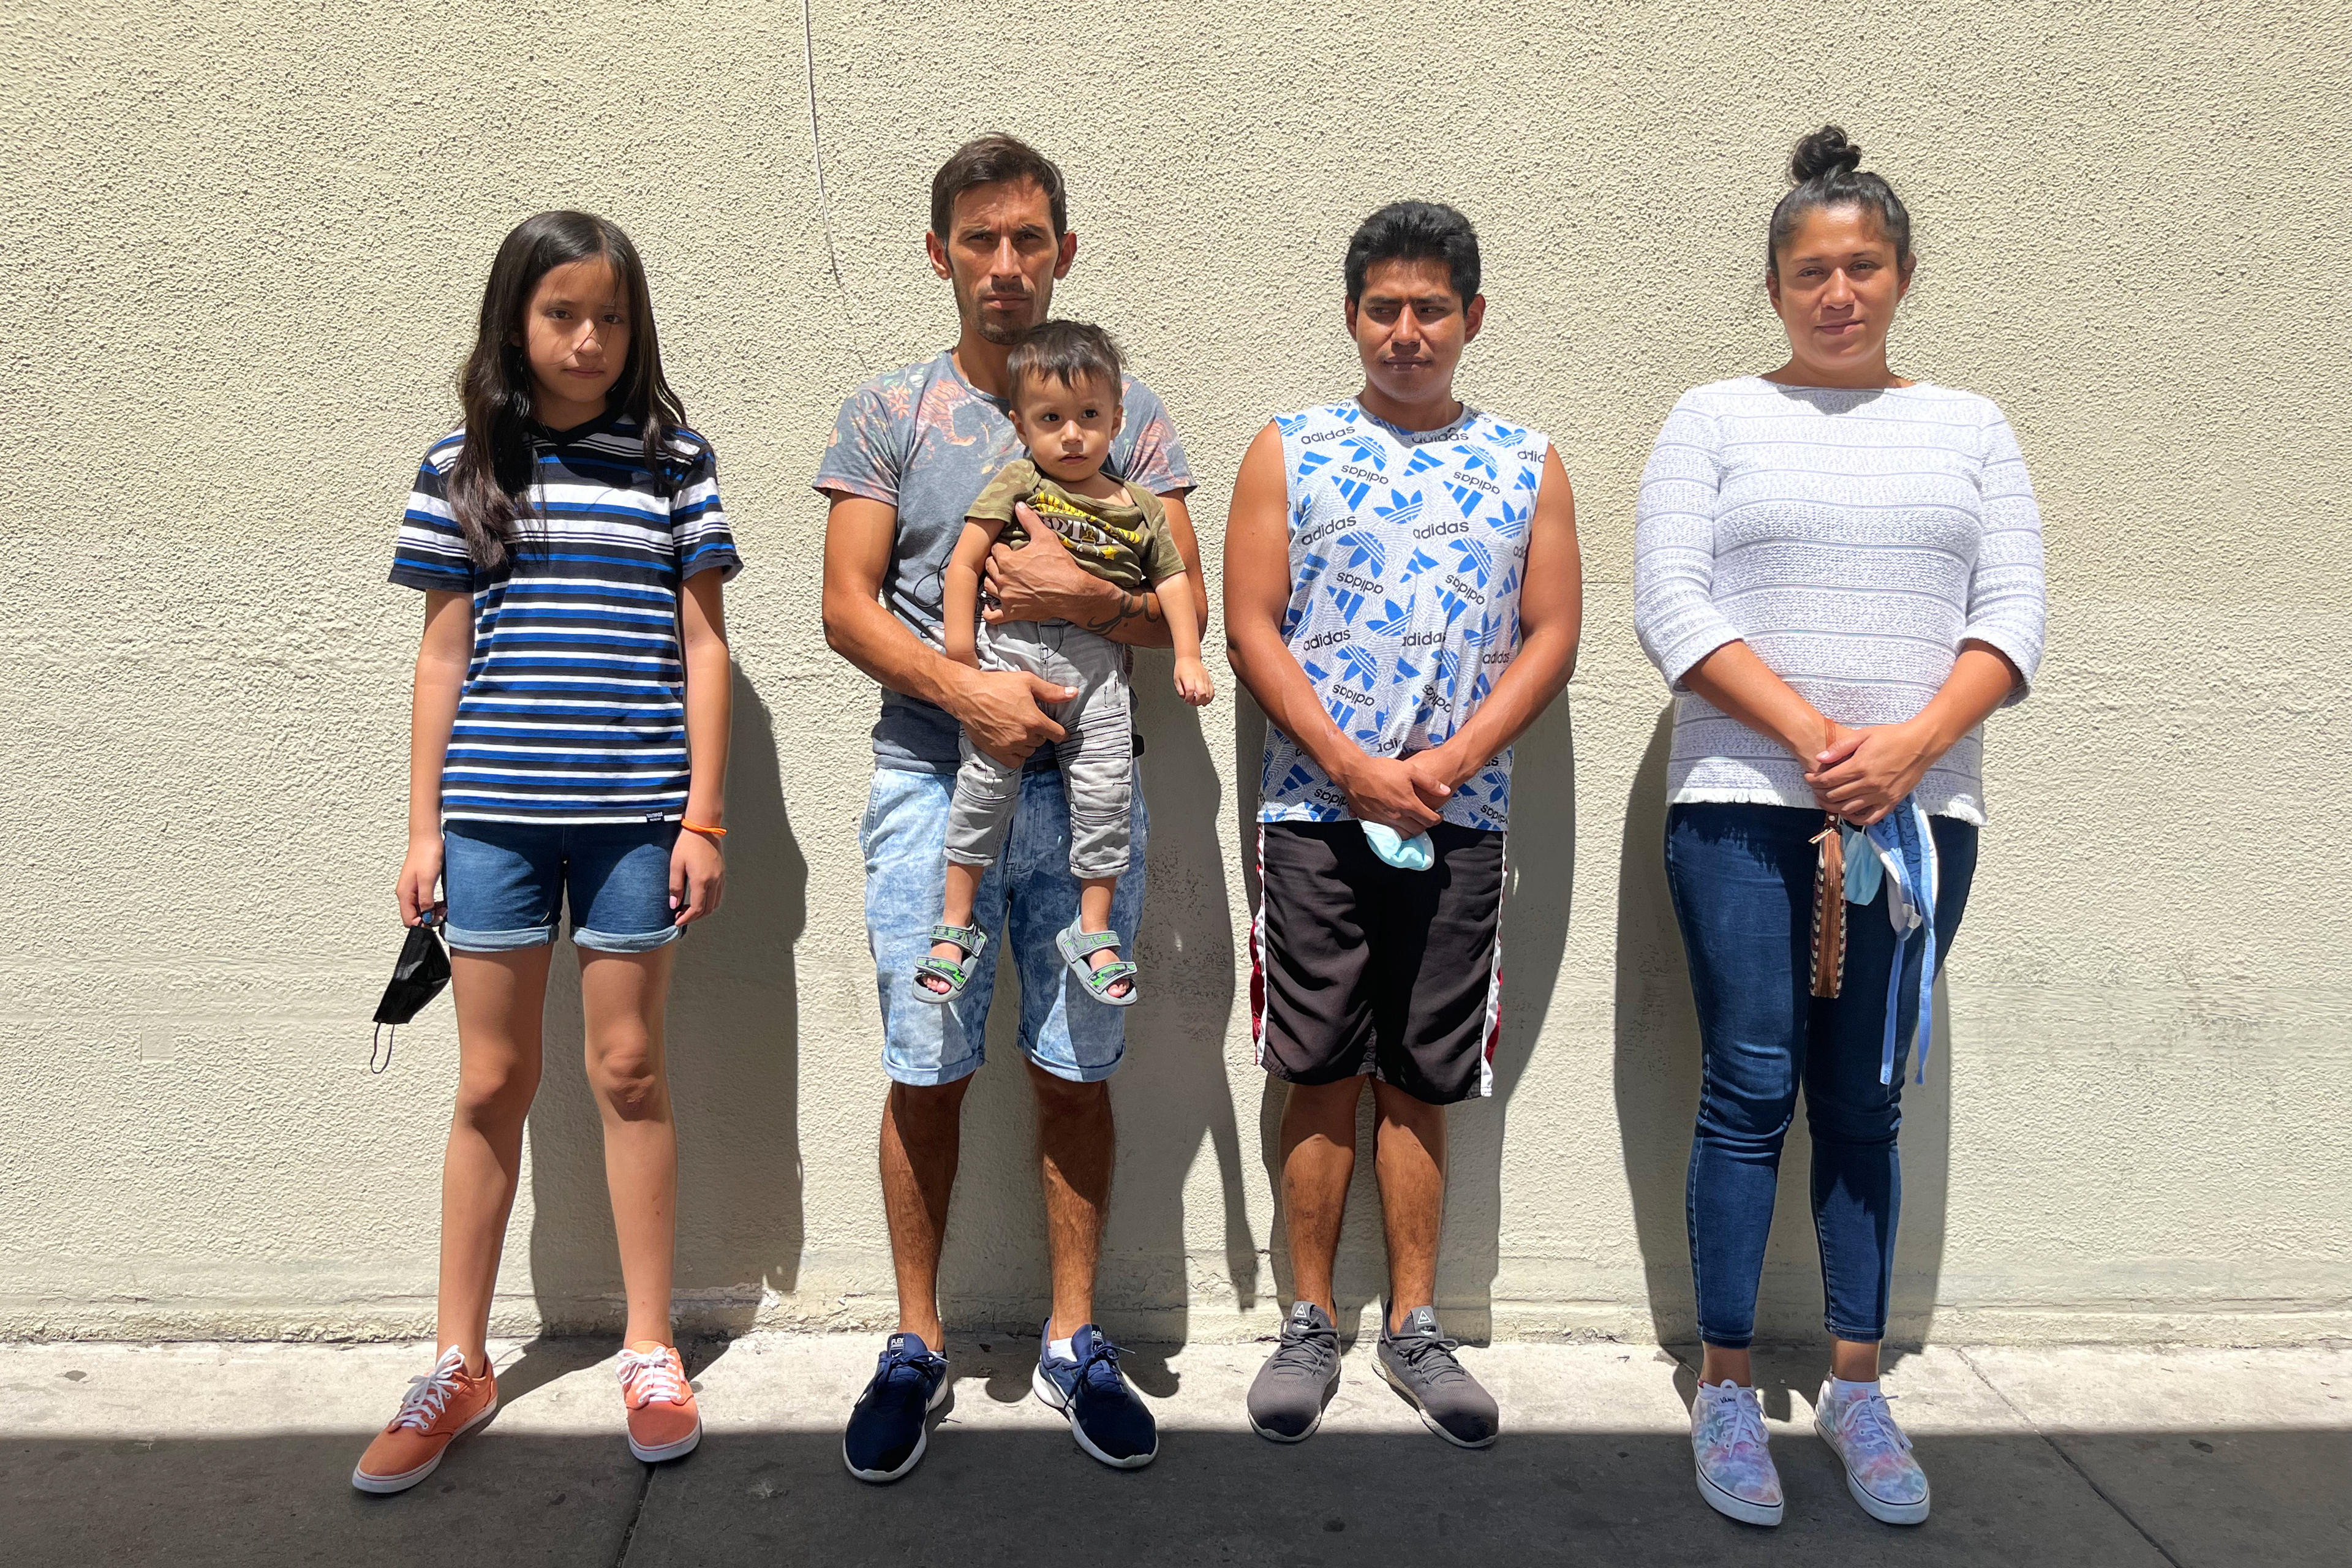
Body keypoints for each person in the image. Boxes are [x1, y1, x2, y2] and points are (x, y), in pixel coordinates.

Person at [1633, 126, 2046, 1528]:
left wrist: (1909, 749)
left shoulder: (1970, 427)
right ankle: (1728, 1387)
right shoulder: (1710, 419)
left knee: (1862, 1096)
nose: (1837, 292)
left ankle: (1860, 1382)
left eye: (1861, 266)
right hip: (1744, 815)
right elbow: (1672, 606)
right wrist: (1818, 740)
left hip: (1916, 822)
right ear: (1773, 285)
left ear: (1901, 275)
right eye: (1811, 270)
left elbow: (2010, 616)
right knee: (1749, 1087)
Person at [816, 134, 1207, 1480]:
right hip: (936, 780)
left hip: (1093, 787)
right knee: (927, 1063)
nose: (1003, 265)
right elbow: (845, 604)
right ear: (940, 255)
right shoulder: (889, 411)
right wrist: (966, 689)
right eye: (978, 241)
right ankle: (915, 1343)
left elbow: (1178, 605)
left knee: (1073, 1065)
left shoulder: (1127, 409)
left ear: (1064, 250)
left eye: (1028, 239)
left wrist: (1089, 602)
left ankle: (1074, 1337)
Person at [355, 211, 737, 1493]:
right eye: (563, 313)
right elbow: (442, 655)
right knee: (488, 1082)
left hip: (636, 816)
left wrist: (702, 816)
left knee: (629, 1064)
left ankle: (648, 1343)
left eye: (612, 317)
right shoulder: (462, 464)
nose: (588, 339)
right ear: (516, 320)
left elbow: (704, 648)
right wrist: (423, 829)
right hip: (493, 822)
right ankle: (457, 1357)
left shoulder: (674, 460)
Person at [1224, 202, 1582, 1449]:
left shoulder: (1528, 461)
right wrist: (1346, 761)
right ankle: (1309, 1319)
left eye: (1433, 308)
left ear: (1473, 318)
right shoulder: (1290, 447)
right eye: (1385, 308)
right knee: (1317, 1066)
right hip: (1312, 815)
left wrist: (1449, 760)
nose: (1408, 331)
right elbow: (1253, 620)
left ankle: (1417, 1324)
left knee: (1424, 1077)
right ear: (1352, 316)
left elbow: (1553, 633)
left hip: (1462, 815)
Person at [921, 319, 1215, 1010]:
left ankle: (1094, 930)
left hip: (1098, 670)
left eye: (1089, 416)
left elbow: (1174, 584)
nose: (1073, 434)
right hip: (1011, 654)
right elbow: (964, 562)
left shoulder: (1139, 506)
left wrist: (1190, 654)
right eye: (1052, 419)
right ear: (1023, 427)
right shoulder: (1018, 484)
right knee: (986, 784)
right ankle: (954, 924)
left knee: (1106, 790)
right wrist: (961, 657)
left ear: (1117, 419)